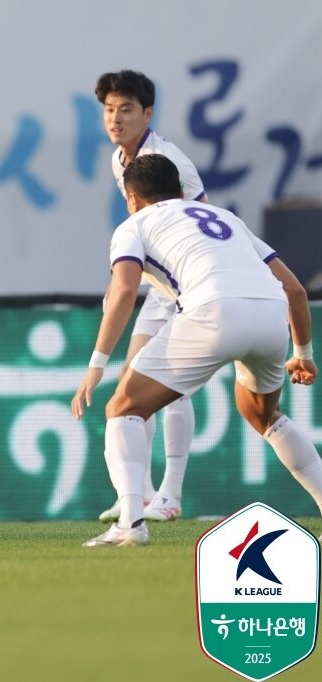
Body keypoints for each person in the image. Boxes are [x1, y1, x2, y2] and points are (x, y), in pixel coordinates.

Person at [71, 153, 322, 547]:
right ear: (183, 190)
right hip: (271, 315)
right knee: (264, 414)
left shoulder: (133, 224)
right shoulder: (226, 218)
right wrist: (303, 353)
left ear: (132, 199)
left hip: (213, 311)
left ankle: (131, 524)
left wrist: (97, 363)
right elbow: (295, 290)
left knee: (123, 408)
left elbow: (123, 290)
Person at [93, 69, 208, 523]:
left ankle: (169, 494)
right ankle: (139, 496)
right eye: (109, 110)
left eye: (126, 109)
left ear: (148, 113)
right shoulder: (120, 159)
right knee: (138, 384)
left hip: (186, 285)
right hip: (159, 285)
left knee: (164, 387)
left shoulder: (169, 160)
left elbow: (192, 229)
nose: (116, 119)